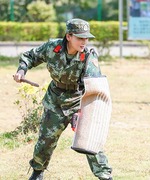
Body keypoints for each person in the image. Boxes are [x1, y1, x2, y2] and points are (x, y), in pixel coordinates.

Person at [13, 18, 113, 180]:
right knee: (46, 140)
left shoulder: (89, 57)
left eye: (86, 38)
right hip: (55, 101)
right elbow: (29, 56)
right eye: (80, 38)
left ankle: (105, 175)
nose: (84, 42)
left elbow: (94, 88)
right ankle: (37, 173)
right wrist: (22, 70)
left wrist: (81, 112)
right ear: (69, 36)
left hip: (78, 100)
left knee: (90, 139)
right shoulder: (52, 47)